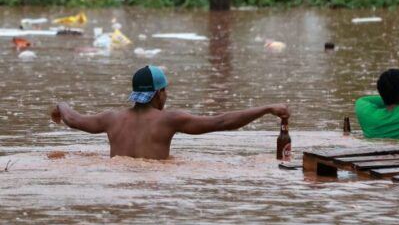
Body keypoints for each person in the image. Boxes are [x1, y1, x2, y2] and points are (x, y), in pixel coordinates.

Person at [51, 65, 290, 160]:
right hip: (156, 185)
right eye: (164, 91)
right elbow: (222, 122)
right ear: (157, 94)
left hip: (118, 183)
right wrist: (267, 108)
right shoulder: (169, 120)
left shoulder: (111, 118)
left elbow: (73, 119)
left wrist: (60, 105)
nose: (166, 96)